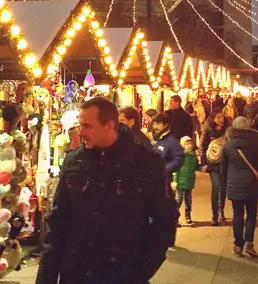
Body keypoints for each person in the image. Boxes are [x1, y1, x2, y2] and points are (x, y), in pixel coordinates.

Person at [36, 97, 177, 284]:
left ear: (109, 126)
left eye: (87, 125)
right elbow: (58, 222)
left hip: (124, 272)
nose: (81, 132)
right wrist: (46, 277)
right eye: (80, 125)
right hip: (77, 272)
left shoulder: (146, 163)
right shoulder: (74, 162)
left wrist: (143, 269)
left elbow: (165, 219)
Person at [220, 116, 258, 258]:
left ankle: (238, 245)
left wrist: (225, 185)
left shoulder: (228, 145)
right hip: (251, 184)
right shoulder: (255, 145)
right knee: (251, 214)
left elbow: (223, 167)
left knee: (237, 215)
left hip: (234, 183)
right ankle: (249, 243)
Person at [200, 110, 230, 225]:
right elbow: (202, 146)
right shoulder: (208, 130)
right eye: (218, 117)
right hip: (212, 163)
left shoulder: (228, 129)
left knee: (223, 188)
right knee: (216, 187)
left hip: (224, 162)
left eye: (222, 117)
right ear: (213, 119)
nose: (220, 119)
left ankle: (221, 210)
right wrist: (203, 164)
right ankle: (215, 214)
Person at [173, 136, 199, 226]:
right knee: (178, 200)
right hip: (180, 182)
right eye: (186, 144)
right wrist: (175, 181)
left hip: (189, 182)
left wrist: (202, 168)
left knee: (188, 200)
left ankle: (188, 216)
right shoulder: (181, 156)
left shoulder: (193, 155)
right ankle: (175, 218)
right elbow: (176, 169)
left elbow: (196, 166)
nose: (189, 146)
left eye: (190, 143)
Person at [151, 113, 185, 178]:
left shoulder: (172, 141)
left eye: (158, 124)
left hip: (163, 180)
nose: (155, 127)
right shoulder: (153, 139)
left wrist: (163, 170)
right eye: (154, 124)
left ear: (165, 125)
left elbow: (179, 158)